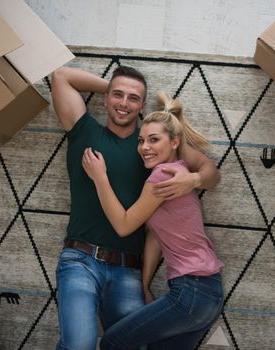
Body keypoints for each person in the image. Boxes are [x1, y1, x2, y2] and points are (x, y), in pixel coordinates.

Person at [51, 65, 220, 350]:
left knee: (132, 345)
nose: (124, 103)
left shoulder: (152, 149)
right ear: (105, 98)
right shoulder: (85, 131)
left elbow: (210, 171)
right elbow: (60, 77)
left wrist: (193, 180)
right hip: (81, 260)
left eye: (133, 98)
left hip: (127, 269)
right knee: (79, 345)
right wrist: (114, 89)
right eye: (118, 95)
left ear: (143, 105)